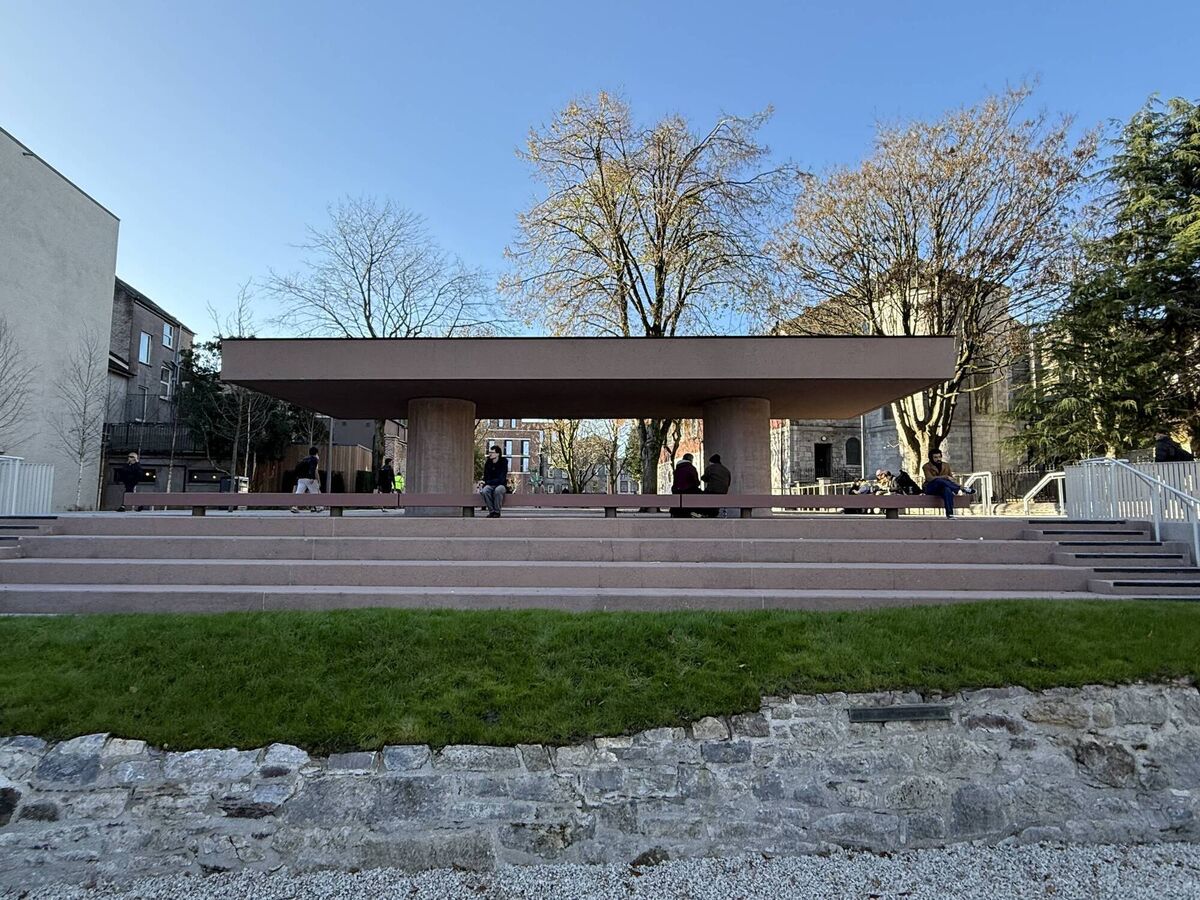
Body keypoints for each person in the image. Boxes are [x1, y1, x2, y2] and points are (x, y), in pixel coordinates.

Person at [921, 448, 975, 518]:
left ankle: (950, 514)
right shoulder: (926, 466)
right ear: (931, 458)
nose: (938, 459)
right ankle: (962, 489)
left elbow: (950, 478)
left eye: (939, 457)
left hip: (942, 488)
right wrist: (944, 477)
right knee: (939, 480)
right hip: (931, 488)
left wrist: (955, 483)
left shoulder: (946, 465)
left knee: (947, 490)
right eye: (935, 457)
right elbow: (929, 478)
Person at [479, 445, 508, 518]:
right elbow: (486, 477)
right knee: (485, 490)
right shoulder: (488, 463)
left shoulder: (504, 462)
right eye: (490, 452)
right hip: (490, 485)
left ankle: (497, 512)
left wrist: (488, 482)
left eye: (492, 452)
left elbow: (501, 479)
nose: (490, 454)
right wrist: (485, 482)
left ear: (498, 454)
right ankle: (491, 512)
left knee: (498, 490)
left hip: (501, 485)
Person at [670, 452, 702, 518]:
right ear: (691, 459)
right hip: (687, 489)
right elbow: (695, 480)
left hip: (677, 490)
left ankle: (675, 512)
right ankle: (695, 511)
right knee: (699, 494)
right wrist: (697, 483)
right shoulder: (691, 468)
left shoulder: (677, 469)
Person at [290, 447, 322, 513]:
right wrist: (312, 478)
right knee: (315, 492)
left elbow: (297, 468)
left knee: (299, 493)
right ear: (316, 453)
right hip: (309, 478)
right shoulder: (314, 459)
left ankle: (294, 506)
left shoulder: (304, 459)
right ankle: (318, 507)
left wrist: (298, 477)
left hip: (301, 479)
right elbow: (312, 468)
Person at [699, 453, 731, 518]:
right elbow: (729, 482)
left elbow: (705, 478)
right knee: (715, 502)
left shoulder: (710, 468)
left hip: (712, 490)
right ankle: (714, 513)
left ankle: (705, 513)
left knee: (702, 496)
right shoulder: (726, 470)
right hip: (723, 491)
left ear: (711, 462)